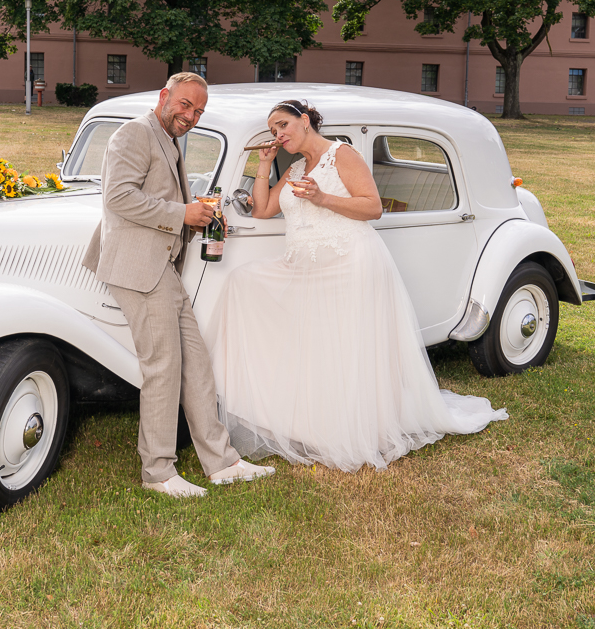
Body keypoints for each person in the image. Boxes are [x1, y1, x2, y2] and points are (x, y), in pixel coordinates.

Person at [205, 100, 508, 471]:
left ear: (304, 121)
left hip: (348, 259)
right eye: (273, 131)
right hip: (303, 263)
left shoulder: (341, 154)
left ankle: (358, 425)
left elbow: (372, 207)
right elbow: (264, 210)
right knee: (244, 282)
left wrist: (322, 198)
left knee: (345, 344)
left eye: (283, 126)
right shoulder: (297, 166)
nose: (279, 134)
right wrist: (265, 162)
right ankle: (293, 412)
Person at [82, 72, 275, 497]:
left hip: (160, 268)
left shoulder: (167, 138)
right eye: (186, 105)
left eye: (199, 111)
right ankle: (158, 473)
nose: (191, 116)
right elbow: (118, 198)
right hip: (137, 268)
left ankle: (221, 462)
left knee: (196, 363)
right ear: (165, 96)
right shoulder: (134, 134)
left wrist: (198, 216)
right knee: (163, 368)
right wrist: (181, 213)